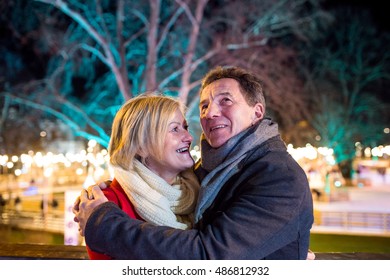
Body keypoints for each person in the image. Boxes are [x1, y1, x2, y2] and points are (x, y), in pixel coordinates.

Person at [74, 66, 314, 259]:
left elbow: (209, 256)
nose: (209, 114)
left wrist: (103, 224)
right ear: (141, 145)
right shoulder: (202, 174)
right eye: (204, 106)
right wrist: (117, 187)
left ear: (257, 112)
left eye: (226, 100)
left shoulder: (279, 178)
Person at [81, 94, 200, 259]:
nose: (189, 137)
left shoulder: (201, 190)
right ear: (141, 146)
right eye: (174, 129)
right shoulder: (105, 204)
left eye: (185, 127)